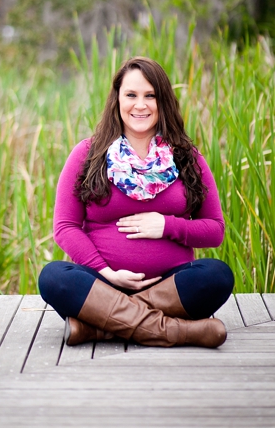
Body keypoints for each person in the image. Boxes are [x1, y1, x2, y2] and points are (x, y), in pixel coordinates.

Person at [39, 56, 234, 348]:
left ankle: (98, 328)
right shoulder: (87, 155)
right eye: (131, 95)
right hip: (102, 285)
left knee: (217, 276)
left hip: (171, 286)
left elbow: (215, 230)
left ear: (163, 101)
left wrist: (167, 225)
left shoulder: (187, 157)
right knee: (54, 277)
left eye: (150, 96)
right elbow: (65, 227)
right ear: (117, 99)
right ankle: (178, 331)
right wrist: (107, 273)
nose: (140, 105)